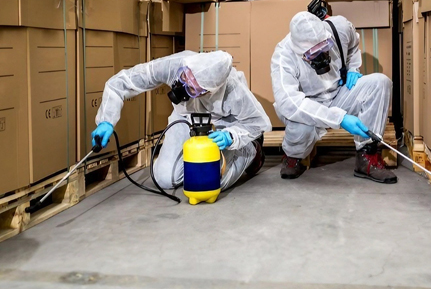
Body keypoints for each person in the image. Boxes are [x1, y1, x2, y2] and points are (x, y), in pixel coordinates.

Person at [91, 50, 272, 191]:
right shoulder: (175, 64)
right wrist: (107, 120)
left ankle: (249, 151)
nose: (183, 86)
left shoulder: (233, 89)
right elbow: (121, 82)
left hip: (223, 123)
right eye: (184, 77)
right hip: (186, 116)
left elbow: (259, 122)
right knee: (165, 179)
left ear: (209, 91)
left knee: (209, 182)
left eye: (192, 89)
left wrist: (231, 136)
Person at [271, 11, 397, 184]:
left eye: (325, 47)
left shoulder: (338, 27)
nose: (322, 56)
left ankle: (367, 156)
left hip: (338, 93)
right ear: (300, 52)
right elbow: (290, 103)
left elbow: (353, 42)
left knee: (380, 83)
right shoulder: (283, 57)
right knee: (301, 130)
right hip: (308, 104)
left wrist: (353, 67)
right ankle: (293, 156)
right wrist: (340, 118)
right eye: (313, 54)